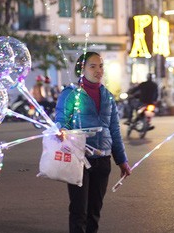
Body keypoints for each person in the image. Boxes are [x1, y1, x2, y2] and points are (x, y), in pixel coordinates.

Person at [55, 52, 131, 233]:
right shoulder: (70, 93)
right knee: (79, 210)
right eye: (93, 66)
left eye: (101, 66)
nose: (99, 70)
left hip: (103, 159)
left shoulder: (108, 96)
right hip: (79, 158)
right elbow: (61, 120)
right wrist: (61, 130)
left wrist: (122, 160)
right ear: (82, 69)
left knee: (94, 212)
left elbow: (114, 130)